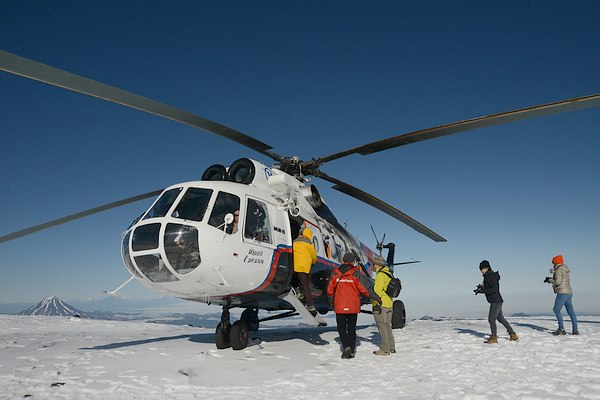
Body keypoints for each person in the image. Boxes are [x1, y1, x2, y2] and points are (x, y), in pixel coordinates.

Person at [327, 252, 381, 359]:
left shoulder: (335, 274)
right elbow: (366, 290)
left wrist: (333, 303)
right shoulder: (356, 275)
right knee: (351, 329)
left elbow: (330, 291)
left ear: (342, 260)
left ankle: (346, 346)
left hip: (340, 307)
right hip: (353, 307)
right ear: (352, 262)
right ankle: (351, 350)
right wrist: (377, 298)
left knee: (341, 328)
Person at [476, 260, 518, 344]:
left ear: (486, 268)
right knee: (500, 318)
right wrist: (482, 288)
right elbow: (490, 287)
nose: (481, 270)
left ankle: (494, 337)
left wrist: (483, 291)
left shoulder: (490, 275)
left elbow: (494, 289)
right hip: (496, 300)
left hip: (495, 301)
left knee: (491, 319)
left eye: (482, 269)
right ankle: (513, 335)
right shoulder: (488, 275)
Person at [545, 255, 579, 335]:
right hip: (568, 292)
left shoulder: (558, 270)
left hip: (562, 292)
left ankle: (561, 329)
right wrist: (553, 273)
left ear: (556, 262)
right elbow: (560, 278)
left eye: (553, 262)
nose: (552, 264)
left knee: (556, 310)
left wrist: (549, 280)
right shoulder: (564, 269)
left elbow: (557, 282)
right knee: (571, 312)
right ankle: (575, 331)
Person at [371, 255, 396, 356]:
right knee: (387, 326)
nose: (374, 266)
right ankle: (392, 347)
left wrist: (373, 303)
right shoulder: (389, 274)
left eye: (374, 264)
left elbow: (377, 292)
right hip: (389, 304)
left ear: (378, 265)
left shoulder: (380, 275)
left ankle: (385, 350)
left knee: (381, 326)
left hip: (381, 305)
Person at [293, 227, 318, 315]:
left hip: (297, 266)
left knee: (301, 282)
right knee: (305, 284)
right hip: (306, 267)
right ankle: (308, 303)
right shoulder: (309, 244)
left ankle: (310, 305)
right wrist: (313, 262)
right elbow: (314, 257)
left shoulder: (294, 242)